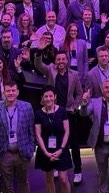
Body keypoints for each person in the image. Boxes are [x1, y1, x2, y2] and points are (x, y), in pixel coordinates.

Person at [34, 48, 85, 184]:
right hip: (53, 112)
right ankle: (56, 167)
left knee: (74, 143)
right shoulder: (50, 69)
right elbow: (38, 64)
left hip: (68, 112)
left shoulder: (74, 74)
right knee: (55, 140)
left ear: (67, 60)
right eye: (58, 59)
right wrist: (39, 51)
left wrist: (75, 106)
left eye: (63, 59)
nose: (61, 61)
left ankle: (78, 171)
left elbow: (79, 93)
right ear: (55, 61)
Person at [0, 81, 37, 193]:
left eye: (13, 90)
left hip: (23, 152)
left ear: (17, 92)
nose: (10, 93)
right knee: (6, 184)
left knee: (24, 181)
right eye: (8, 91)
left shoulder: (27, 107)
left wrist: (31, 149)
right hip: (4, 154)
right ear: (3, 93)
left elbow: (31, 130)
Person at [35, 86, 73, 193]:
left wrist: (61, 149)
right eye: (46, 96)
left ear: (55, 97)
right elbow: (38, 135)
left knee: (63, 178)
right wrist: (46, 152)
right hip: (46, 150)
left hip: (61, 148)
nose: (48, 99)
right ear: (42, 98)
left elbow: (67, 131)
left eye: (51, 96)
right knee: (49, 178)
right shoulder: (38, 114)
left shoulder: (62, 111)